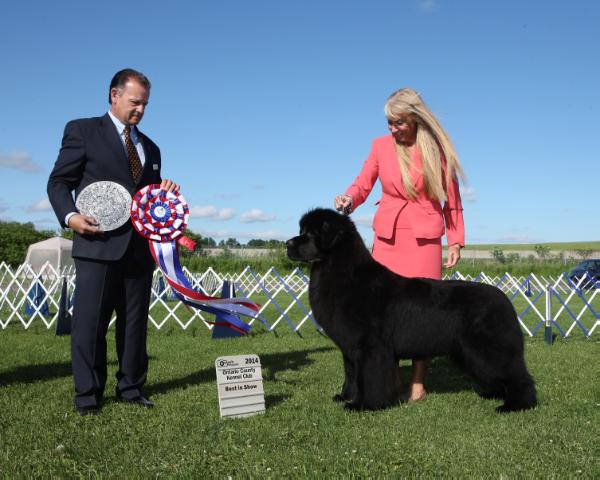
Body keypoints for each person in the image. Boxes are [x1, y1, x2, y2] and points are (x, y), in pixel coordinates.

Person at [47, 68, 179, 415]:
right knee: (90, 324)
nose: (141, 110)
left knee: (134, 323)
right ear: (114, 95)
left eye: (146, 105)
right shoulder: (83, 131)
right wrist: (70, 216)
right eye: (136, 102)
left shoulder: (151, 147)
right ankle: (88, 396)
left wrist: (164, 191)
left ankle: (132, 388)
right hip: (97, 244)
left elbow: (147, 195)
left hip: (139, 250)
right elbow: (59, 182)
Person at [334, 88, 465, 403]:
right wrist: (349, 199)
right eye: (389, 123)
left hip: (424, 241)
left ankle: (418, 384)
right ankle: (387, 379)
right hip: (388, 239)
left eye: (399, 123)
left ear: (415, 119)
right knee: (382, 312)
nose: (392, 129)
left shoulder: (437, 151)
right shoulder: (380, 147)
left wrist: (455, 240)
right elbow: (363, 182)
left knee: (423, 313)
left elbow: (453, 201)